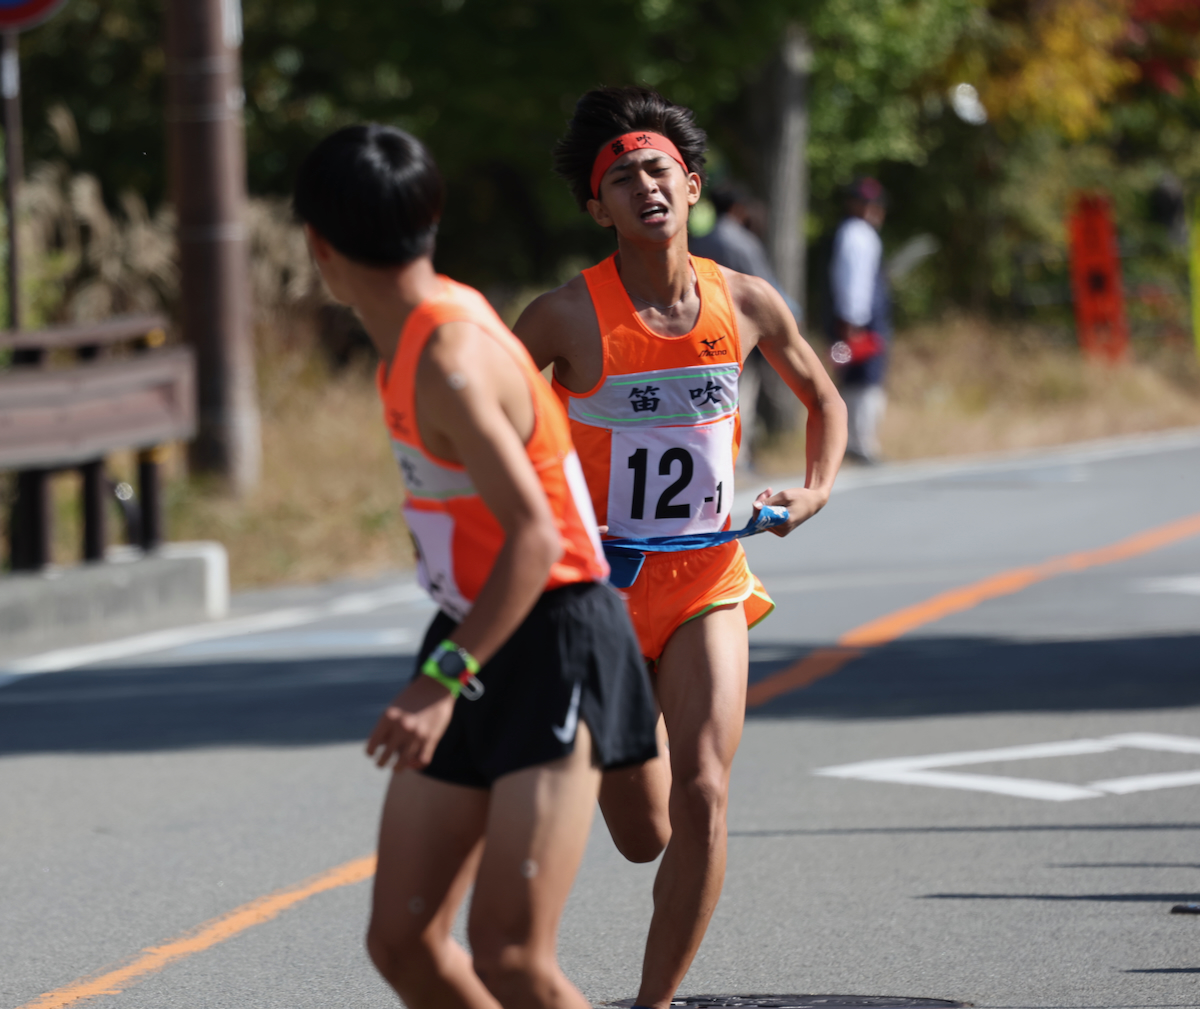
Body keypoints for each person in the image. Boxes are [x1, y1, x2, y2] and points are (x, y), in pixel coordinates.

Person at [294, 124, 659, 1009]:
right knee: (405, 939)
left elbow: (534, 537)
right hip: (475, 623)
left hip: (555, 627)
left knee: (510, 955)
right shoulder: (410, 333)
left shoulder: (451, 356)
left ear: (319, 247)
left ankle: (637, 751)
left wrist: (439, 681)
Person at [514, 87, 847, 1009]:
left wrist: (815, 490)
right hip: (604, 599)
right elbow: (485, 418)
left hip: (708, 577)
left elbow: (824, 398)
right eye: (621, 178)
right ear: (598, 207)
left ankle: (654, 1004)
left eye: (659, 169)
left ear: (692, 184)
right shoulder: (564, 317)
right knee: (645, 830)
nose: (644, 186)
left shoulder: (743, 300)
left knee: (705, 789)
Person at [689, 182, 802, 469]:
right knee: (743, 394)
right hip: (741, 332)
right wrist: (792, 314)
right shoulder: (743, 241)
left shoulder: (698, 240)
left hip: (701, 330)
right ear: (738, 208)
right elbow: (764, 287)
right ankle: (740, 458)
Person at [827, 177, 891, 464]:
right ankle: (860, 442)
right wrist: (853, 321)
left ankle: (855, 440)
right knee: (865, 379)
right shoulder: (858, 234)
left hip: (855, 318)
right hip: (861, 320)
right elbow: (854, 282)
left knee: (854, 379)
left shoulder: (852, 232)